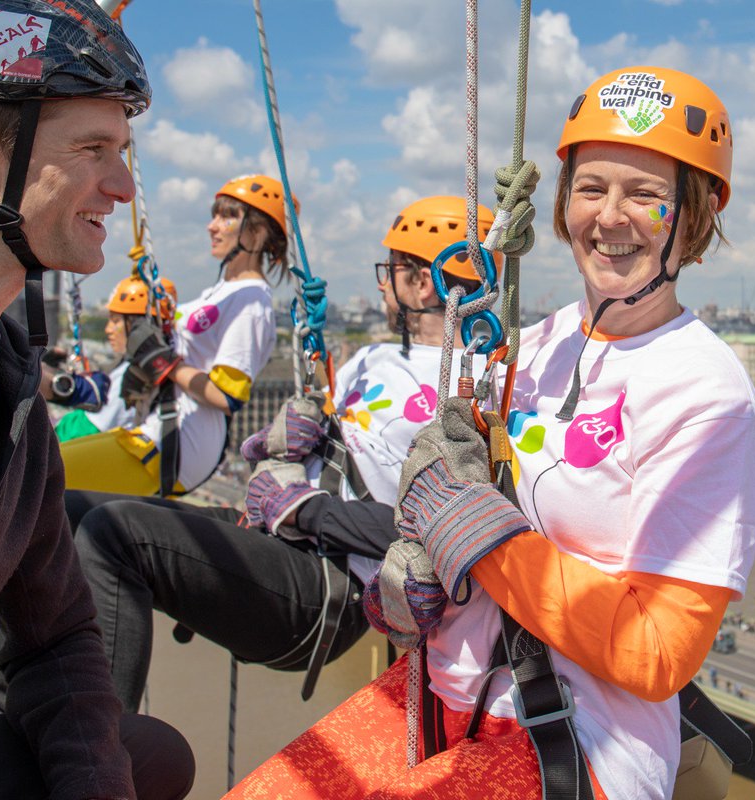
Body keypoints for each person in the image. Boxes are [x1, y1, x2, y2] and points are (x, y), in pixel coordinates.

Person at [227, 66, 755, 800]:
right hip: (441, 693)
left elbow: (657, 653)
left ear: (698, 214)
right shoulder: (534, 345)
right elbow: (449, 502)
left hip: (574, 744)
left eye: (645, 195)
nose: (610, 216)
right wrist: (416, 574)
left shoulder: (709, 398)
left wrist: (484, 544)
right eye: (591, 188)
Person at [62, 197, 502, 713]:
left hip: (327, 583)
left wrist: (302, 507)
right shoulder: (368, 358)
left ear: (423, 282)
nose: (383, 283)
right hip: (276, 537)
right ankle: (16, 710)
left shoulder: (471, 393)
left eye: (391, 269)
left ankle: (97, 750)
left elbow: (438, 539)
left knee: (117, 536)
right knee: (63, 510)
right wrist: (294, 442)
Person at [0, 1, 194, 798]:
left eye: (124, 152)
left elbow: (56, 634)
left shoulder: (6, 378)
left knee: (143, 758)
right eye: (92, 150)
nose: (121, 187)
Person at [58, 175, 287, 496]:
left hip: (180, 439)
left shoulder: (251, 302)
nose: (213, 226)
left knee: (44, 476)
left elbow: (227, 395)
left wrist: (166, 363)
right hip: (163, 431)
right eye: (215, 215)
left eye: (228, 216)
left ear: (259, 232)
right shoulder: (221, 293)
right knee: (48, 465)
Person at [41, 274, 178, 443]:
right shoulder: (156, 364)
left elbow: (83, 432)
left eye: (115, 321)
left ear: (139, 325)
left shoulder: (134, 375)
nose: (108, 330)